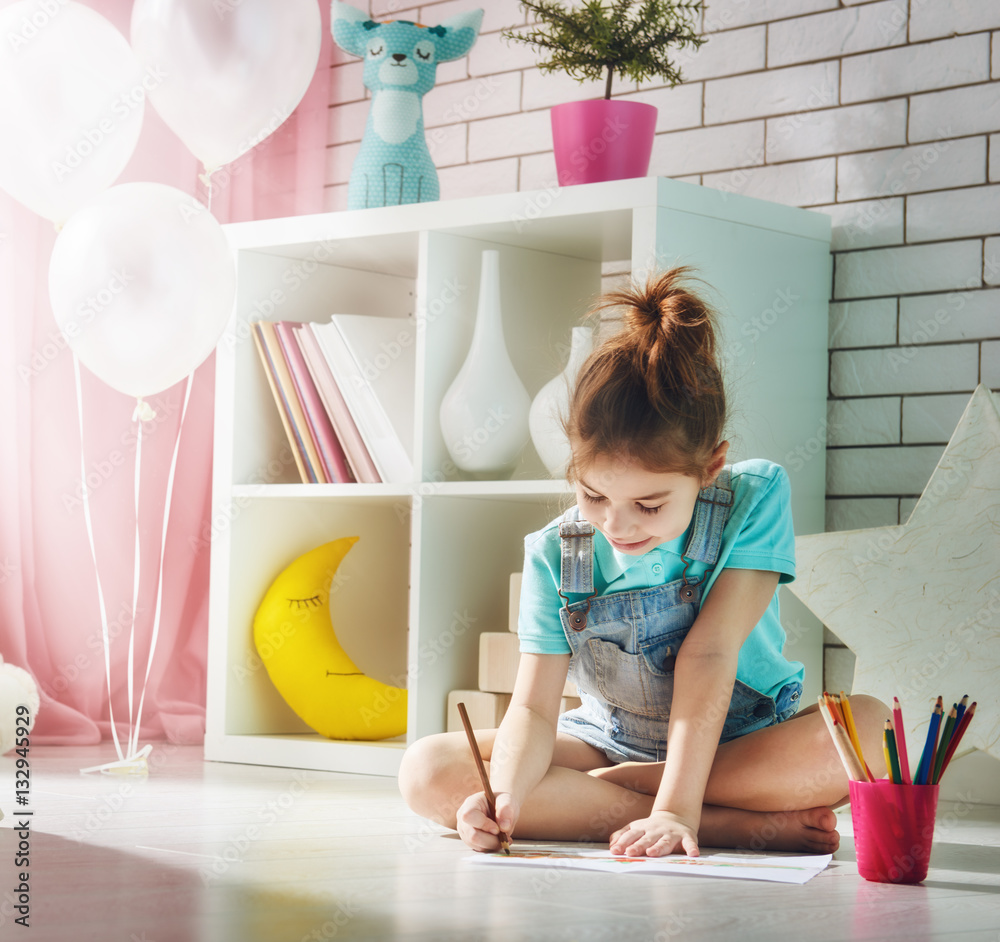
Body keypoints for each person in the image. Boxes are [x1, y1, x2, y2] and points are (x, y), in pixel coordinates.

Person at [399, 268, 887, 857]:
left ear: (709, 469)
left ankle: (648, 800)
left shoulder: (754, 497)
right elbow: (531, 706)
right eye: (594, 496)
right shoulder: (556, 552)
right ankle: (723, 824)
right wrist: (503, 795)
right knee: (426, 770)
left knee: (873, 730)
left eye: (650, 505)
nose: (616, 526)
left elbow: (710, 654)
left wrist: (676, 805)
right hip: (605, 741)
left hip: (743, 743)